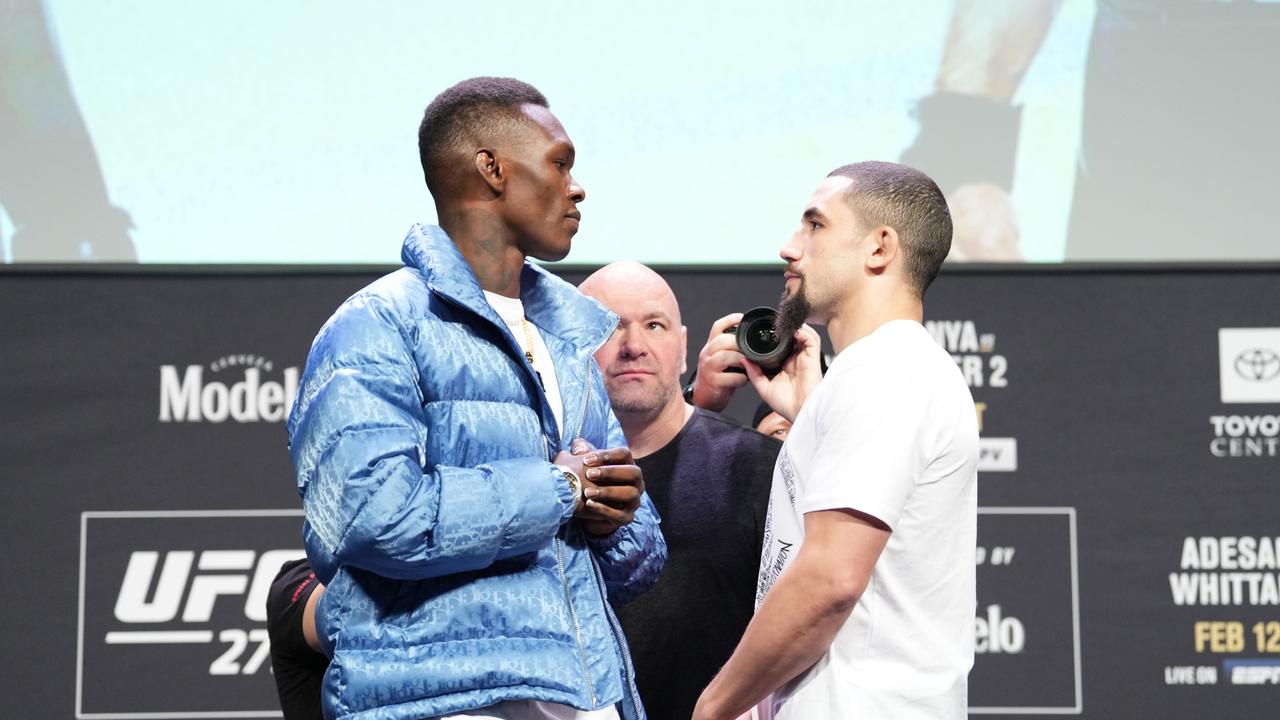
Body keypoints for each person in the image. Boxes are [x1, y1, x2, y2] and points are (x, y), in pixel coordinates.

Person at [286, 76, 665, 720]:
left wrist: (615, 519)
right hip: (441, 702)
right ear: (491, 169)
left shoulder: (569, 339)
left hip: (588, 698)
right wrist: (559, 491)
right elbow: (370, 520)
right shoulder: (376, 326)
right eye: (560, 162)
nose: (577, 186)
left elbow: (633, 568)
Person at [692, 161, 979, 719]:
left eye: (815, 226)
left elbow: (830, 580)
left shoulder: (888, 370)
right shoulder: (875, 374)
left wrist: (714, 707)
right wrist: (810, 414)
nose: (789, 248)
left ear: (880, 248)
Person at [577, 261, 780, 720]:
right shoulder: (545, 479)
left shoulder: (760, 469)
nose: (633, 347)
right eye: (609, 328)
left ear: (684, 348)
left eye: (654, 325)